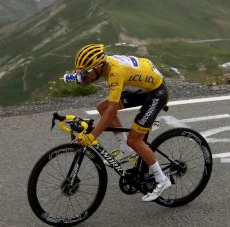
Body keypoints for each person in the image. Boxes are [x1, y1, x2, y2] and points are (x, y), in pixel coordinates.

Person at [68, 43, 171, 202]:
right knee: (102, 107)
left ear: (99, 67)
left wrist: (92, 137)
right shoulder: (104, 64)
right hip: (140, 88)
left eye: (86, 72)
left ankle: (162, 179)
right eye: (82, 71)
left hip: (156, 93)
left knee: (135, 139)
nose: (84, 75)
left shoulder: (115, 72)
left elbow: (111, 113)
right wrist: (82, 77)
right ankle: (125, 148)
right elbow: (107, 108)